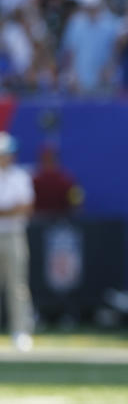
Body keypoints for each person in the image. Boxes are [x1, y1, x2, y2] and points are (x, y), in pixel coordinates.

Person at [0, 131, 35, 352]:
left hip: (13, 236)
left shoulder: (20, 177)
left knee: (17, 285)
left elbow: (25, 208)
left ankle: (21, 331)